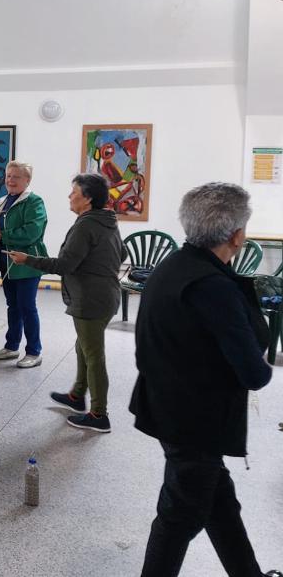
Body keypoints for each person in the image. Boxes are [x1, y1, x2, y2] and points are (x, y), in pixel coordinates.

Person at [130, 183, 276, 577]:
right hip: (196, 422)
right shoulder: (215, 287)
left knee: (218, 504)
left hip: (165, 406)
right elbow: (255, 373)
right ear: (237, 235)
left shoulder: (169, 267)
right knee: (179, 518)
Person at [9, 173, 124, 432]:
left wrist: (27, 259)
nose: (69, 197)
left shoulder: (86, 225)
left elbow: (64, 265)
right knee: (83, 348)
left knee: (94, 355)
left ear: (88, 198)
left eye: (74, 192)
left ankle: (99, 415)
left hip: (91, 300)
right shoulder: (107, 221)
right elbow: (122, 253)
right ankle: (76, 395)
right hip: (106, 295)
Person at [0, 161, 47, 368]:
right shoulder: (1, 201)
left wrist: (3, 235)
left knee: (27, 306)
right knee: (13, 306)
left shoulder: (34, 201)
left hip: (27, 262)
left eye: (16, 177)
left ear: (27, 180)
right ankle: (11, 346)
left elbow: (32, 232)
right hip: (5, 261)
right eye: (8, 176)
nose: (10, 180)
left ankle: (34, 352)